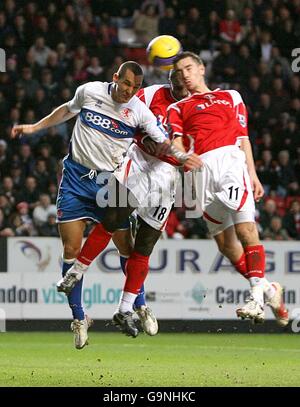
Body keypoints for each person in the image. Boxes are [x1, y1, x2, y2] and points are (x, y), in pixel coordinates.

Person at [11, 61, 174, 349]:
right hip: (75, 180)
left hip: (109, 184)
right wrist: (36, 127)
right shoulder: (90, 92)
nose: (129, 91)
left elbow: (163, 142)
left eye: (135, 87)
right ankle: (79, 318)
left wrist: (183, 158)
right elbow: (67, 110)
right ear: (115, 78)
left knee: (128, 248)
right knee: (71, 250)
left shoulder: (138, 111)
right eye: (126, 84)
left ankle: (140, 304)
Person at [55, 70, 200, 338]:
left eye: (186, 74)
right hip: (132, 169)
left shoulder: (199, 105)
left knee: (136, 246)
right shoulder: (147, 95)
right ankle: (79, 310)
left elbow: (194, 143)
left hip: (166, 180)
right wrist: (145, 140)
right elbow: (134, 125)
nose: (180, 81)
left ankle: (136, 305)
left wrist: (189, 160)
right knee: (80, 241)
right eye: (176, 74)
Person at [168, 51, 288, 326]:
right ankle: (271, 290)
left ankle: (256, 299)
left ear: (201, 69)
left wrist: (253, 174)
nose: (184, 74)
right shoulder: (177, 108)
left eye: (188, 68)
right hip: (201, 174)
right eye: (179, 71)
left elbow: (243, 138)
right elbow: (176, 143)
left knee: (246, 231)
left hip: (230, 164)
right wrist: (183, 156)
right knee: (225, 245)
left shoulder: (231, 97)